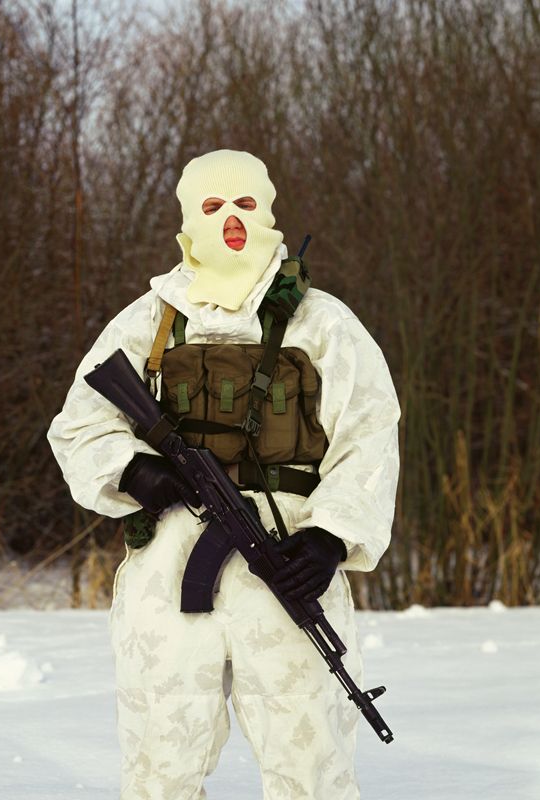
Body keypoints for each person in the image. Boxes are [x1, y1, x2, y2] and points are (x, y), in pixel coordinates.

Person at [47, 149, 401, 799]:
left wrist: (329, 538)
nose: (231, 221)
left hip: (287, 556)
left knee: (310, 755)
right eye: (213, 207)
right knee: (161, 757)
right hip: (170, 567)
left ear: (268, 213)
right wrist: (131, 471)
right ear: (188, 221)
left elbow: (370, 435)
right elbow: (78, 425)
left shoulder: (321, 322)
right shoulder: (150, 321)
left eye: (245, 204)